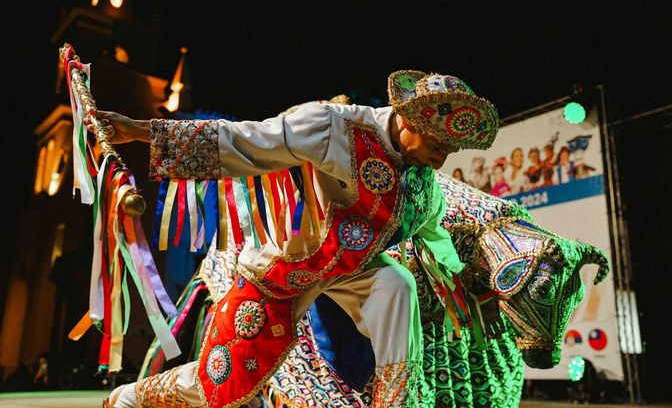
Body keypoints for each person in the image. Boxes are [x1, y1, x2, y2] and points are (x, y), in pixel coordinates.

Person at [95, 70, 499, 408]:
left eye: (449, 151)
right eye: (436, 147)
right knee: (222, 380)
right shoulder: (333, 127)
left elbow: (435, 236)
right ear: (410, 121)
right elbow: (243, 139)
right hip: (283, 269)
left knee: (398, 284)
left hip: (353, 272)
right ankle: (132, 396)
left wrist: (470, 282)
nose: (440, 160)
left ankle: (395, 402)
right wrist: (142, 130)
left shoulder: (425, 188)